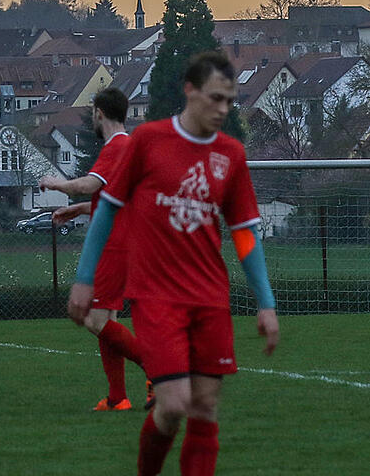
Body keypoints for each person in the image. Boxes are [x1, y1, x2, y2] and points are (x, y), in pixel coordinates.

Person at [69, 51, 280, 476]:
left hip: (210, 298)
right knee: (174, 405)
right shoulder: (148, 141)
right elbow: (107, 209)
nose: (223, 109)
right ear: (190, 91)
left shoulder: (231, 154)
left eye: (229, 101)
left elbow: (244, 232)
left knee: (204, 406)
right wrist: (84, 278)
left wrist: (266, 302)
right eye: (215, 98)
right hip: (157, 296)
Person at [40, 87, 147, 411]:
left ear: (99, 113)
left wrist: (57, 183)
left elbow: (89, 183)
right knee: (105, 320)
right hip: (123, 240)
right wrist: (81, 209)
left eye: (92, 113)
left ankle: (158, 368)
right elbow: (116, 200)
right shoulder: (128, 147)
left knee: (91, 318)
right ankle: (117, 398)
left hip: (113, 244)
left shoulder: (118, 146)